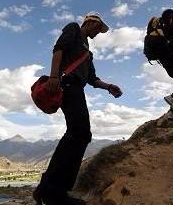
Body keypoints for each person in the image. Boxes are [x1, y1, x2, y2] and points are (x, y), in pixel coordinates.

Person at [33, 12, 123, 205]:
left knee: (80, 134)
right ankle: (53, 192)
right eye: (98, 28)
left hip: (77, 89)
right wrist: (54, 77)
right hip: (66, 85)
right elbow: (58, 49)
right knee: (79, 132)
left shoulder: (88, 52)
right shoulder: (73, 28)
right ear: (90, 22)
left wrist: (108, 87)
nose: (99, 33)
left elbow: (92, 78)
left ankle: (48, 188)